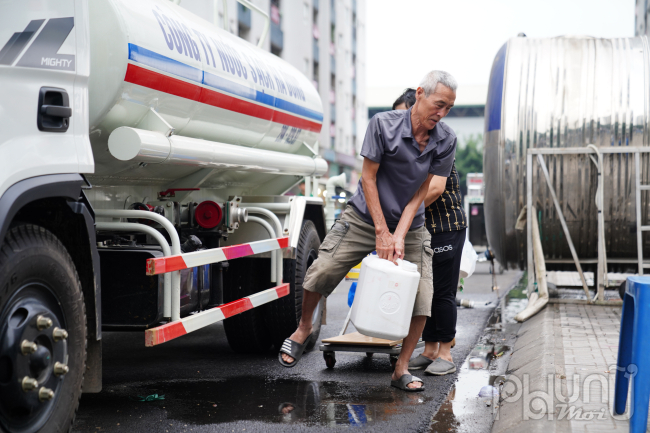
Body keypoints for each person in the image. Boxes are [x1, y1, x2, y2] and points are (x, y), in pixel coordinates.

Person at [278, 70, 458, 392]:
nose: (441, 114)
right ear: (420, 93)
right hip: (364, 216)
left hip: (411, 224)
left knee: (423, 296)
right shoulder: (383, 125)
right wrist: (380, 231)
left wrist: (399, 234)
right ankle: (303, 329)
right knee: (323, 269)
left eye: (448, 108)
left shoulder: (446, 139)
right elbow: (368, 178)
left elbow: (422, 192)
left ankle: (400, 368)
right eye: (439, 104)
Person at [390, 93, 466, 376]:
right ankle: (430, 348)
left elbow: (434, 189)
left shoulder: (440, 141)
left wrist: (401, 214)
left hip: (446, 226)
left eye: (406, 114)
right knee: (425, 291)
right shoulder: (408, 144)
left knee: (443, 292)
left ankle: (445, 351)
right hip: (423, 229)